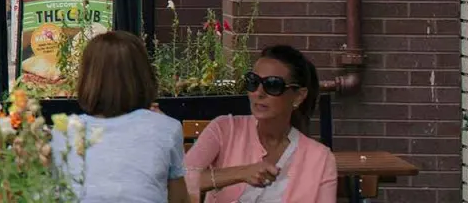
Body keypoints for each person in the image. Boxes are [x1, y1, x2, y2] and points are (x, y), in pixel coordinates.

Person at [185, 44, 338, 202]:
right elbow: (178, 182)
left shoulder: (320, 159)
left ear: (298, 96)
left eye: (272, 85)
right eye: (253, 82)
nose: (259, 92)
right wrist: (241, 173)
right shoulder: (225, 129)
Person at [52, 31, 187, 203]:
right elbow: (180, 199)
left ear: (88, 79)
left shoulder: (63, 132)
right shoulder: (166, 128)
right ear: (144, 77)